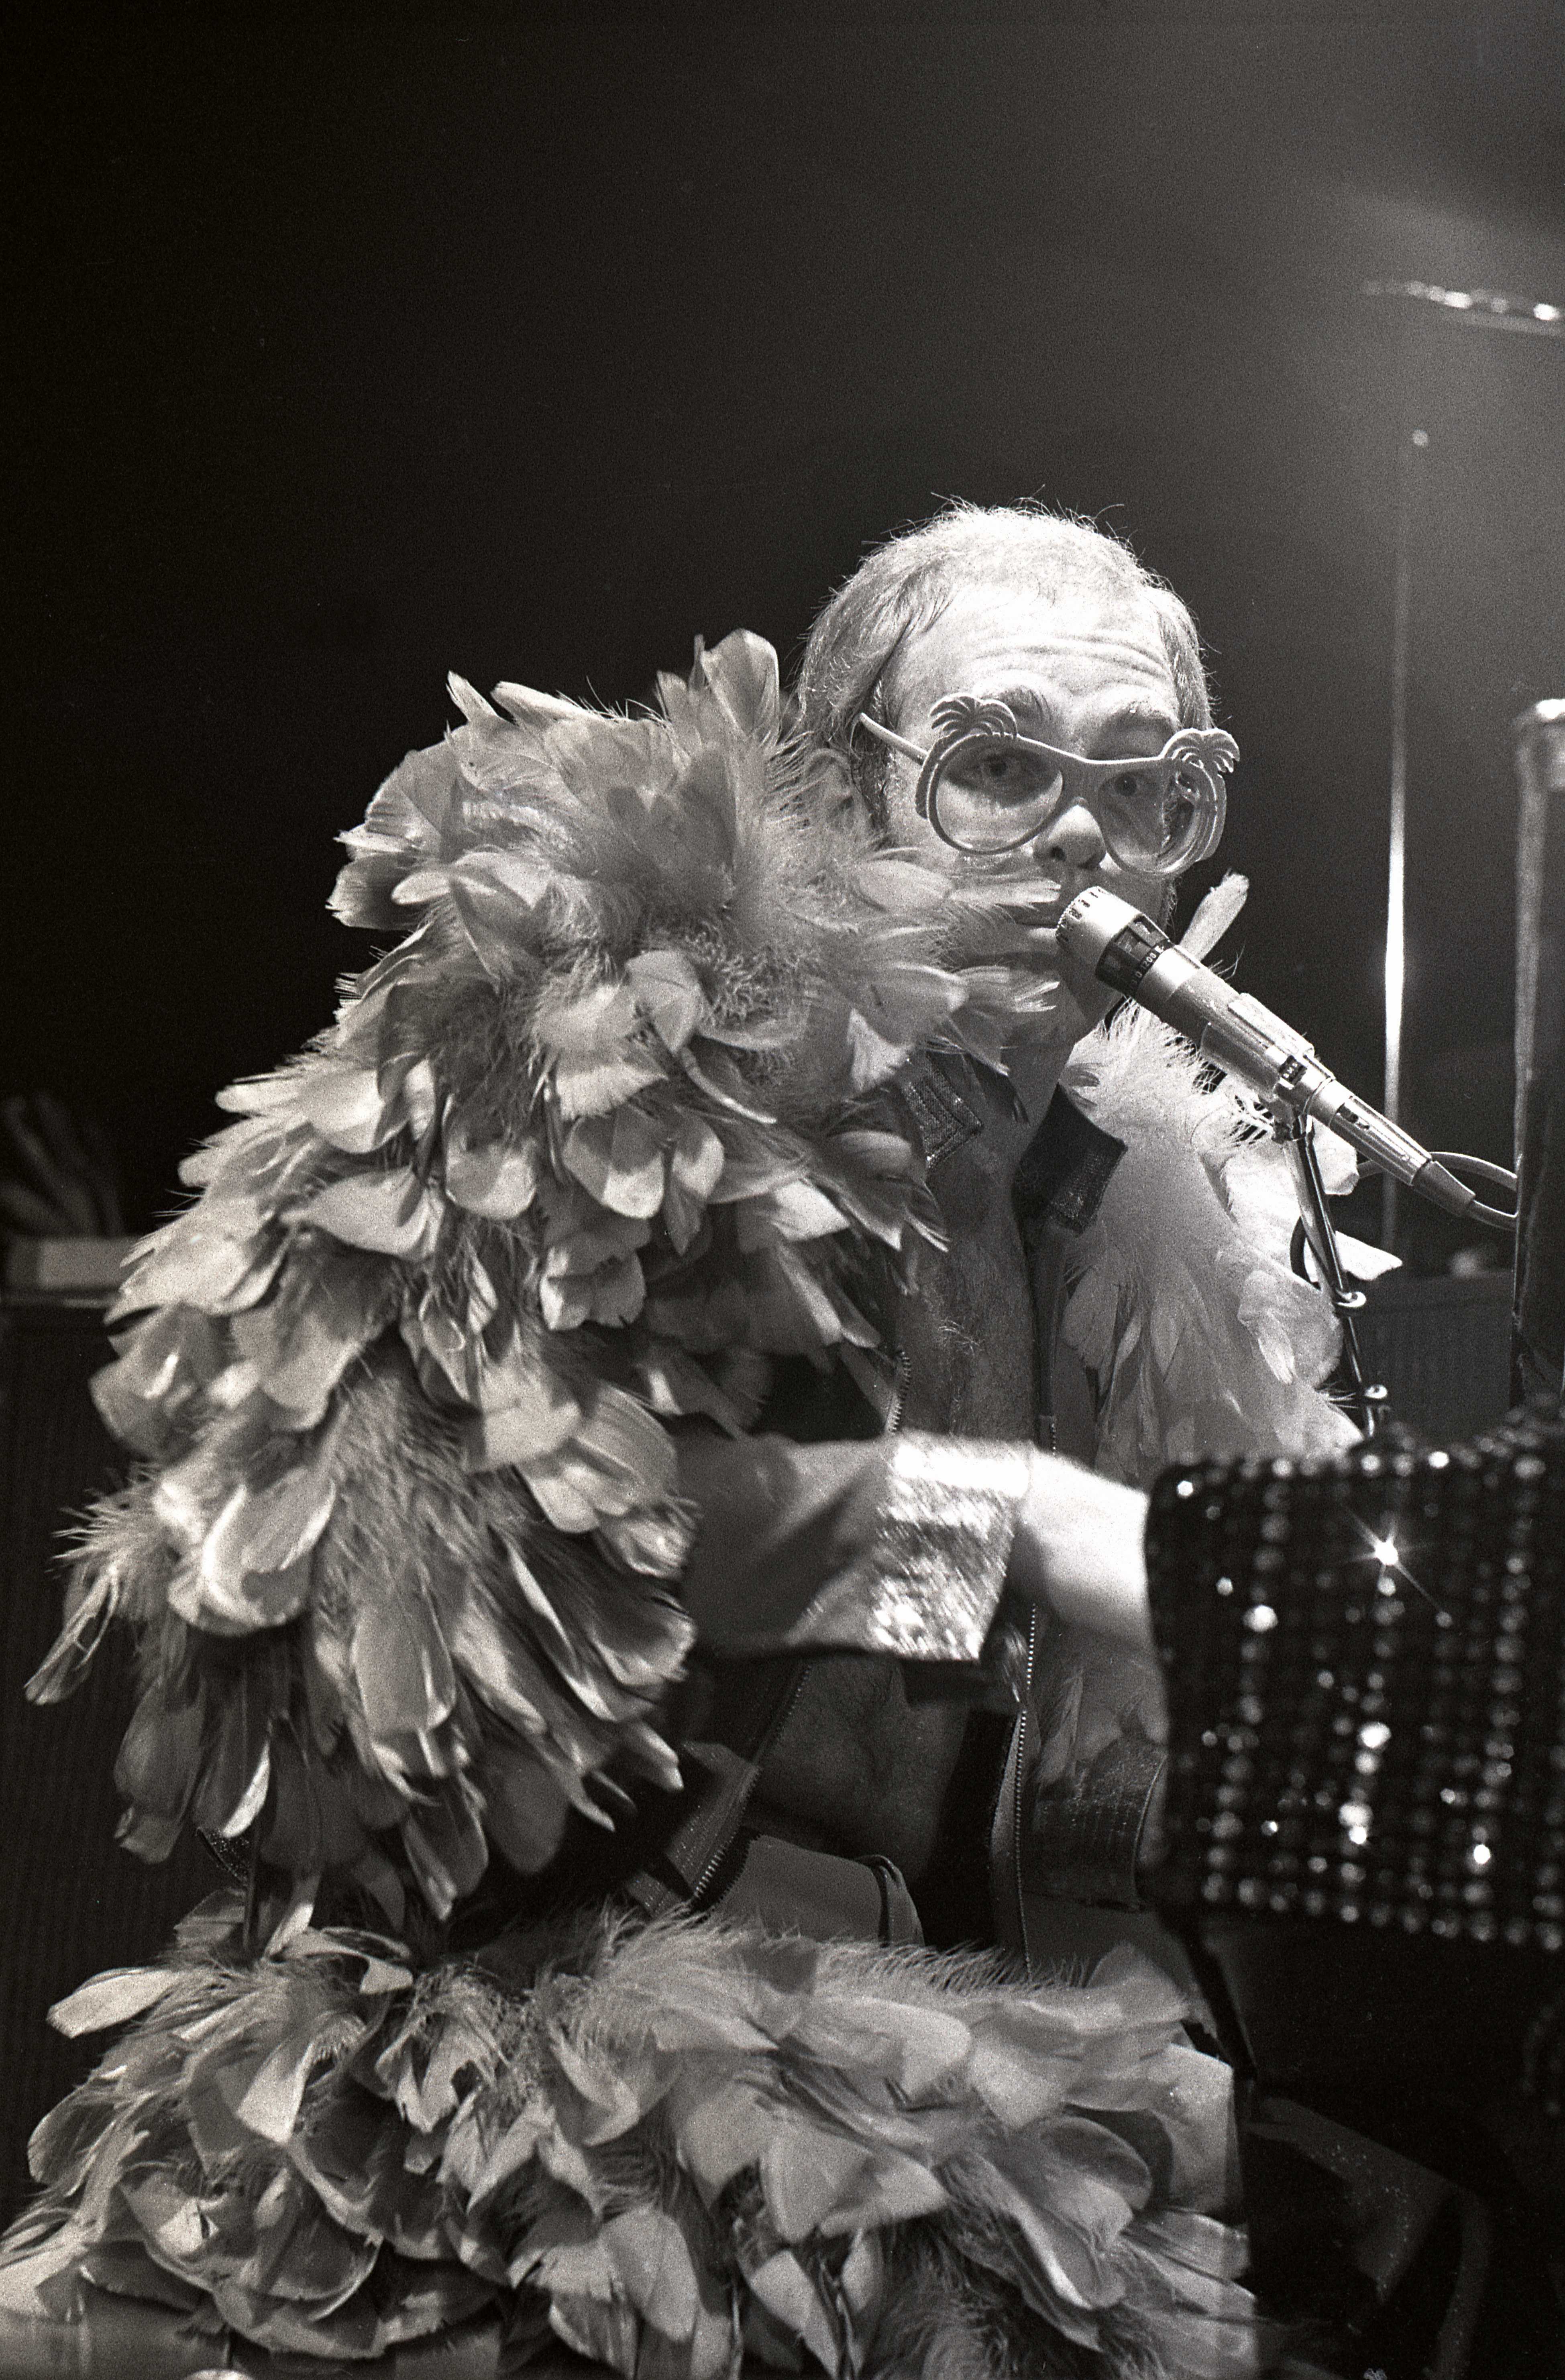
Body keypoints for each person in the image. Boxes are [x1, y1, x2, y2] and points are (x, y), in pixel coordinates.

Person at [0, 504, 1360, 2378]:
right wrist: (1003, 1523)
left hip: (940, 2093)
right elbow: (414, 1547)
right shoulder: (627, 1044)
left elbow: (1096, 1784)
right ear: (837, 791)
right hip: (519, 2097)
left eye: (1146, 783)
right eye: (997, 762)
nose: (1079, 830)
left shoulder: (1137, 1206)